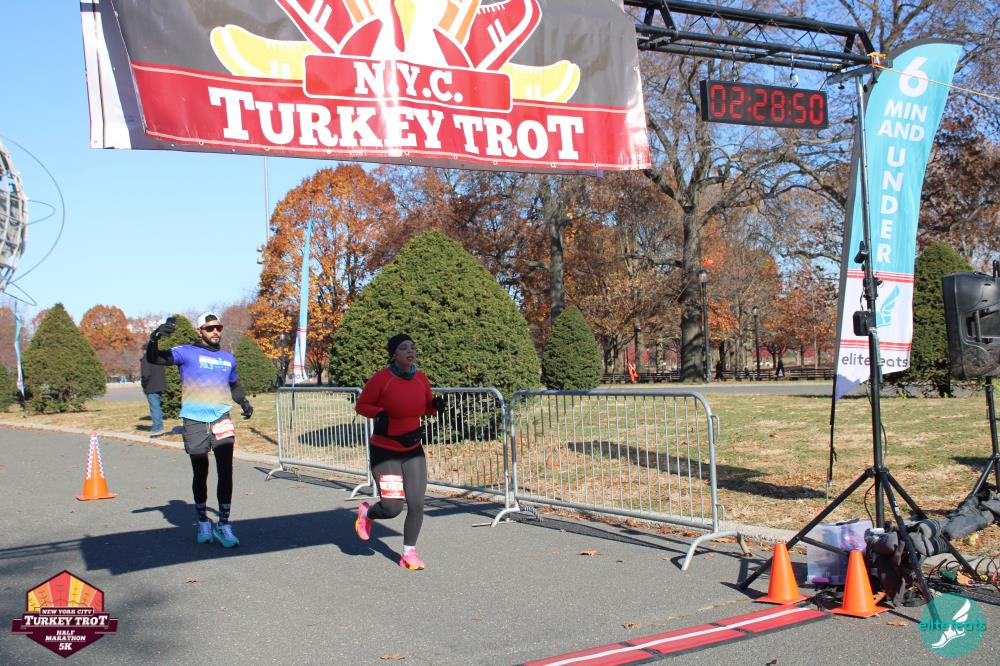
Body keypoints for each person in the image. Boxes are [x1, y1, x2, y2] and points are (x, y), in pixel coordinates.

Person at [146, 312, 253, 548]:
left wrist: (244, 402)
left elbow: (234, 384)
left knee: (226, 472)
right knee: (201, 472)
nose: (215, 332)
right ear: (199, 331)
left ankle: (223, 524)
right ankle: (203, 520)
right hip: (194, 420)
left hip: (221, 419)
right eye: (209, 328)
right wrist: (154, 338)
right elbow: (155, 358)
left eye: (218, 328)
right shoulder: (186, 352)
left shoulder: (228, 358)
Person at [353, 333, 444, 570]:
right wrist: (379, 413)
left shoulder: (421, 378)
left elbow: (425, 408)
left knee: (417, 504)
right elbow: (361, 405)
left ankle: (409, 553)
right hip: (386, 452)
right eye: (404, 348)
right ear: (394, 354)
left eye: (412, 347)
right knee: (392, 507)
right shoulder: (382, 378)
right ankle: (367, 514)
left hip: (413, 450)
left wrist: (435, 406)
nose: (410, 351)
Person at [140, 342, 166, 434]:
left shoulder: (146, 359)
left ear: (145, 350)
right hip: (160, 386)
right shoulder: (158, 358)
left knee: (154, 407)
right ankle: (159, 425)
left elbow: (145, 375)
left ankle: (157, 427)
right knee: (157, 406)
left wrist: (144, 385)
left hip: (151, 386)